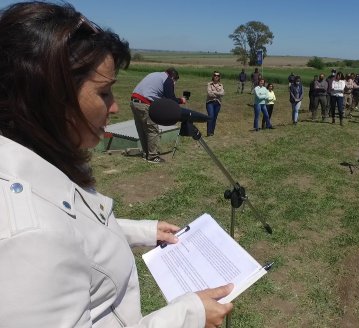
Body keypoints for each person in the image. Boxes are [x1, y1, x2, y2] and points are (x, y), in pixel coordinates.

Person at [0, 2, 233, 327]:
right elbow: (53, 235)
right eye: (105, 93)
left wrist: (143, 231)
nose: (113, 107)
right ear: (53, 95)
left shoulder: (37, 166)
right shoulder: (29, 236)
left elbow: (74, 230)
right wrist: (189, 315)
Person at [131, 67, 186, 163]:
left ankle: (146, 154)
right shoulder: (168, 80)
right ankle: (152, 156)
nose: (174, 83)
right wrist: (181, 100)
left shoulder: (155, 74)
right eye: (175, 81)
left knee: (142, 129)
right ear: (173, 77)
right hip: (144, 103)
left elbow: (159, 95)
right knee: (153, 129)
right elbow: (170, 99)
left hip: (134, 102)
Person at [206, 71, 225, 136]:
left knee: (214, 118)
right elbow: (209, 94)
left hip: (218, 103)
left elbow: (222, 94)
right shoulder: (209, 84)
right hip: (210, 103)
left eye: (218, 76)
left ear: (219, 77)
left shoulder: (221, 85)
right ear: (213, 76)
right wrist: (218, 94)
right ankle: (208, 132)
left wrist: (214, 92)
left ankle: (212, 132)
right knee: (210, 116)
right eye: (215, 75)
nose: (216, 77)